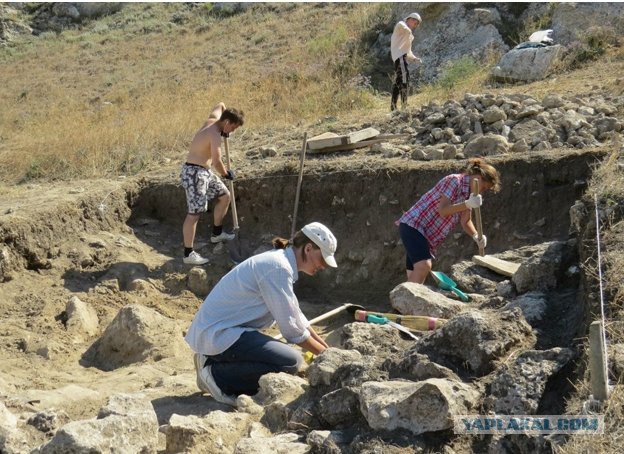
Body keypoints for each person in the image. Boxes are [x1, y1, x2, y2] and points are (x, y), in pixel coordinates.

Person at [185, 222, 337, 406]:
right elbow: (292, 331)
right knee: (291, 362)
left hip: (225, 332)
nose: (324, 266)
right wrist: (331, 361)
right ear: (308, 248)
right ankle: (216, 377)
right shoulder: (278, 267)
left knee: (287, 357)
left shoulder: (281, 263)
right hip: (218, 333)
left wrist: (328, 353)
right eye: (322, 259)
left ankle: (210, 359)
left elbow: (297, 318)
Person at [397, 158, 501, 284]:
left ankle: (406, 301)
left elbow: (465, 221)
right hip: (414, 225)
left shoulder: (469, 194)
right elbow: (443, 210)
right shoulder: (454, 181)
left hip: (425, 236)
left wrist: (476, 236)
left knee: (415, 274)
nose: (482, 192)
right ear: (478, 178)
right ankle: (408, 301)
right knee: (424, 266)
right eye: (484, 188)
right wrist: (467, 204)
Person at [180, 102, 245, 265]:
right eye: (233, 128)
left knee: (225, 196)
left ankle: (217, 233)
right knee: (194, 213)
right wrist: (226, 174)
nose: (232, 132)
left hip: (204, 172)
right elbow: (217, 161)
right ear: (228, 123)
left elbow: (221, 104)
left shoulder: (214, 119)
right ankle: (188, 254)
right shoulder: (215, 134)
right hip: (194, 173)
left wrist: (227, 117)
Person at [390, 12, 423, 111]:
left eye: (416, 23)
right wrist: (408, 30)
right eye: (413, 21)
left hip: (402, 57)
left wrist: (414, 58)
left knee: (398, 82)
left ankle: (393, 107)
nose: (415, 24)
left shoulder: (410, 36)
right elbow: (402, 26)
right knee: (405, 79)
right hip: (399, 57)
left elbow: (408, 51)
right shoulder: (401, 25)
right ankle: (404, 106)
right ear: (408, 19)